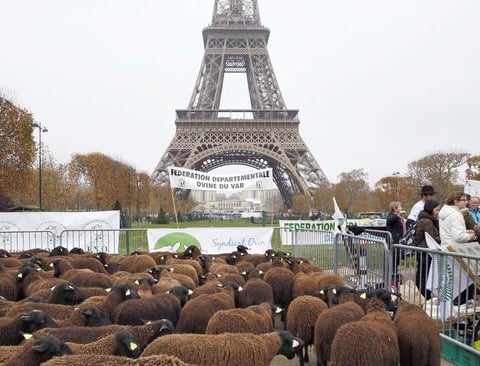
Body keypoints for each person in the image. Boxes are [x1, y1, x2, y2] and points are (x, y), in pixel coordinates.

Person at [414, 199, 441, 299]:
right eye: (437, 209)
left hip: (424, 250)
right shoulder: (428, 221)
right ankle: (424, 295)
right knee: (424, 275)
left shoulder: (426, 219)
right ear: (431, 209)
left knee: (422, 274)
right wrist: (441, 237)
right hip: (425, 251)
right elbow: (431, 238)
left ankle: (422, 294)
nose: (438, 212)